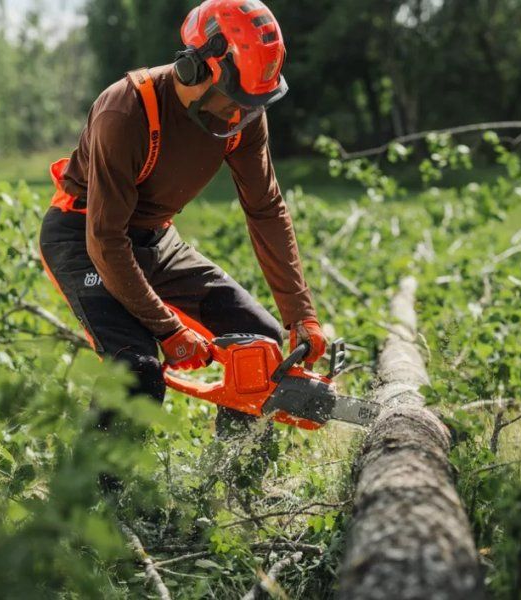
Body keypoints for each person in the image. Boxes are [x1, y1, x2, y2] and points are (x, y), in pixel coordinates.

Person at [39, 0, 327, 437]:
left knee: (260, 344)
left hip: (153, 238)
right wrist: (167, 329)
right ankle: (97, 497)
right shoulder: (127, 112)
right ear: (193, 68)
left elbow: (265, 208)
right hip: (84, 237)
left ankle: (235, 479)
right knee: (137, 368)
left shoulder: (245, 116)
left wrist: (300, 314)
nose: (240, 116)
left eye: (251, 105)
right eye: (233, 101)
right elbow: (106, 238)